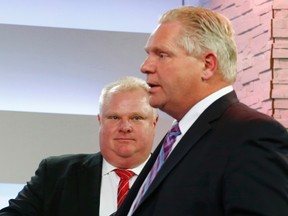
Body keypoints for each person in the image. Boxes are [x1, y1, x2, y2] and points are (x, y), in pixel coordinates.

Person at [114, 6, 288, 216]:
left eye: (162, 55)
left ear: (207, 65)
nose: (145, 66)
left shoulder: (252, 135)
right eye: (148, 54)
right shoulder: (178, 136)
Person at [0, 76, 158, 216]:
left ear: (154, 123)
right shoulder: (55, 173)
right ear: (100, 121)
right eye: (114, 117)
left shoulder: (175, 180)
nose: (125, 127)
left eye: (136, 118)